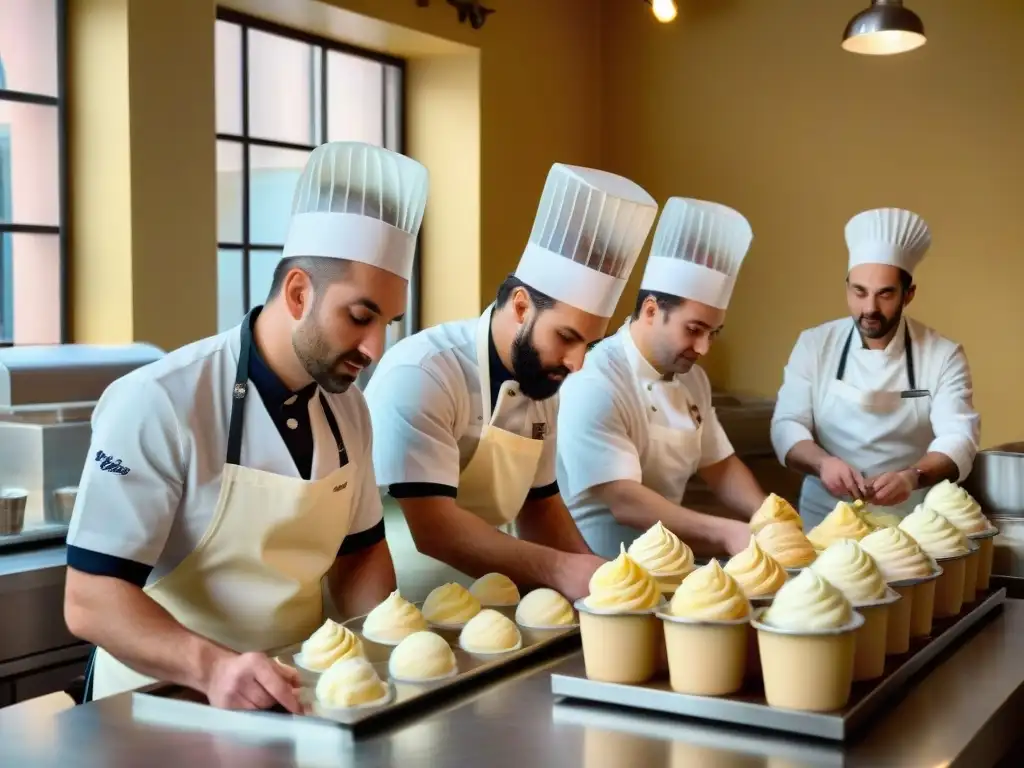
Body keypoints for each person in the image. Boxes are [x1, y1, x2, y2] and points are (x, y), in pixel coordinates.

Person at [63, 141, 429, 711]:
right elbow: (90, 598)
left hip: (290, 701)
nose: (376, 347)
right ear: (299, 293)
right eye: (360, 317)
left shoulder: (349, 410)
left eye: (387, 322)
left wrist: (386, 653)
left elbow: (359, 558)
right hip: (159, 707)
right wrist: (214, 668)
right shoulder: (160, 400)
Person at [365, 163, 658, 599]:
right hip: (405, 612)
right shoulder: (424, 372)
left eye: (590, 345)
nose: (577, 362)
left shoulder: (541, 381)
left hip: (494, 606)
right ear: (521, 307)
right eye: (566, 337)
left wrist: (601, 583)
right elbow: (434, 531)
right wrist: (561, 569)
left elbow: (540, 506)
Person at [557, 197, 764, 559]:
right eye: (694, 329)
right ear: (651, 310)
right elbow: (625, 500)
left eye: (713, 333)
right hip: (595, 574)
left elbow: (721, 465)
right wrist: (725, 532)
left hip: (669, 568)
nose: (703, 347)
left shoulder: (693, 380)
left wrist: (769, 517)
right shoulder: (594, 382)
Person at [771, 207, 981, 527]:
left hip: (913, 522)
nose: (869, 308)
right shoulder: (815, 344)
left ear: (908, 295)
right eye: (859, 292)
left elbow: (959, 437)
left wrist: (912, 476)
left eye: (884, 294)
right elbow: (787, 424)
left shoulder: (943, 355)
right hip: (826, 518)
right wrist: (823, 463)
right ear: (847, 288)